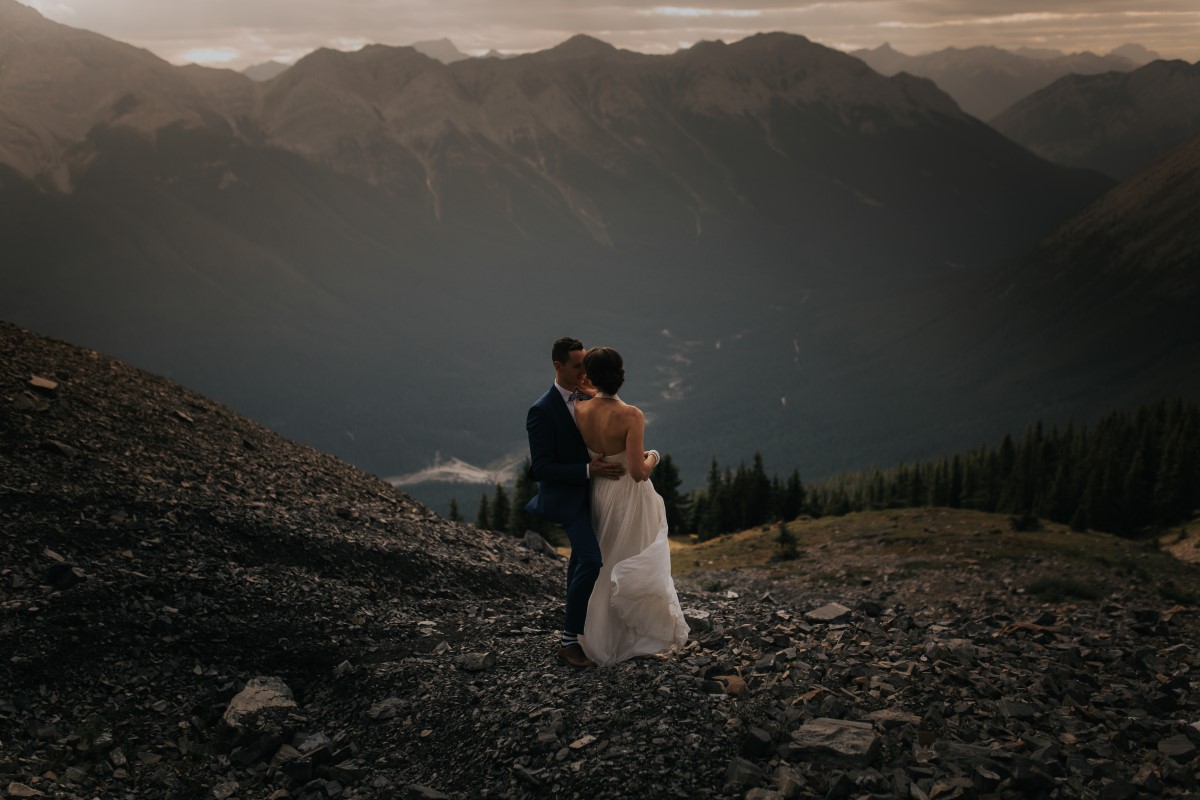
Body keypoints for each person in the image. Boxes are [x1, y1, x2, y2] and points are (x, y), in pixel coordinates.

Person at [573, 346, 689, 666]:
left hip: (598, 491)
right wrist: (655, 456)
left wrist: (588, 391)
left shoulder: (580, 410)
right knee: (630, 559)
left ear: (592, 377)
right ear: (621, 376)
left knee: (603, 562)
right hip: (627, 496)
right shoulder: (631, 414)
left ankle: (595, 637)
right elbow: (638, 473)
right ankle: (633, 640)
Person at [525, 337, 625, 670]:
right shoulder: (542, 410)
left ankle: (581, 635)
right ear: (558, 366)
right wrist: (587, 469)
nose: (585, 370)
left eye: (586, 363)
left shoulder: (589, 395)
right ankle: (569, 643)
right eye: (577, 365)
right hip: (570, 499)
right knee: (592, 561)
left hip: (597, 494)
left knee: (579, 564)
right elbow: (539, 468)